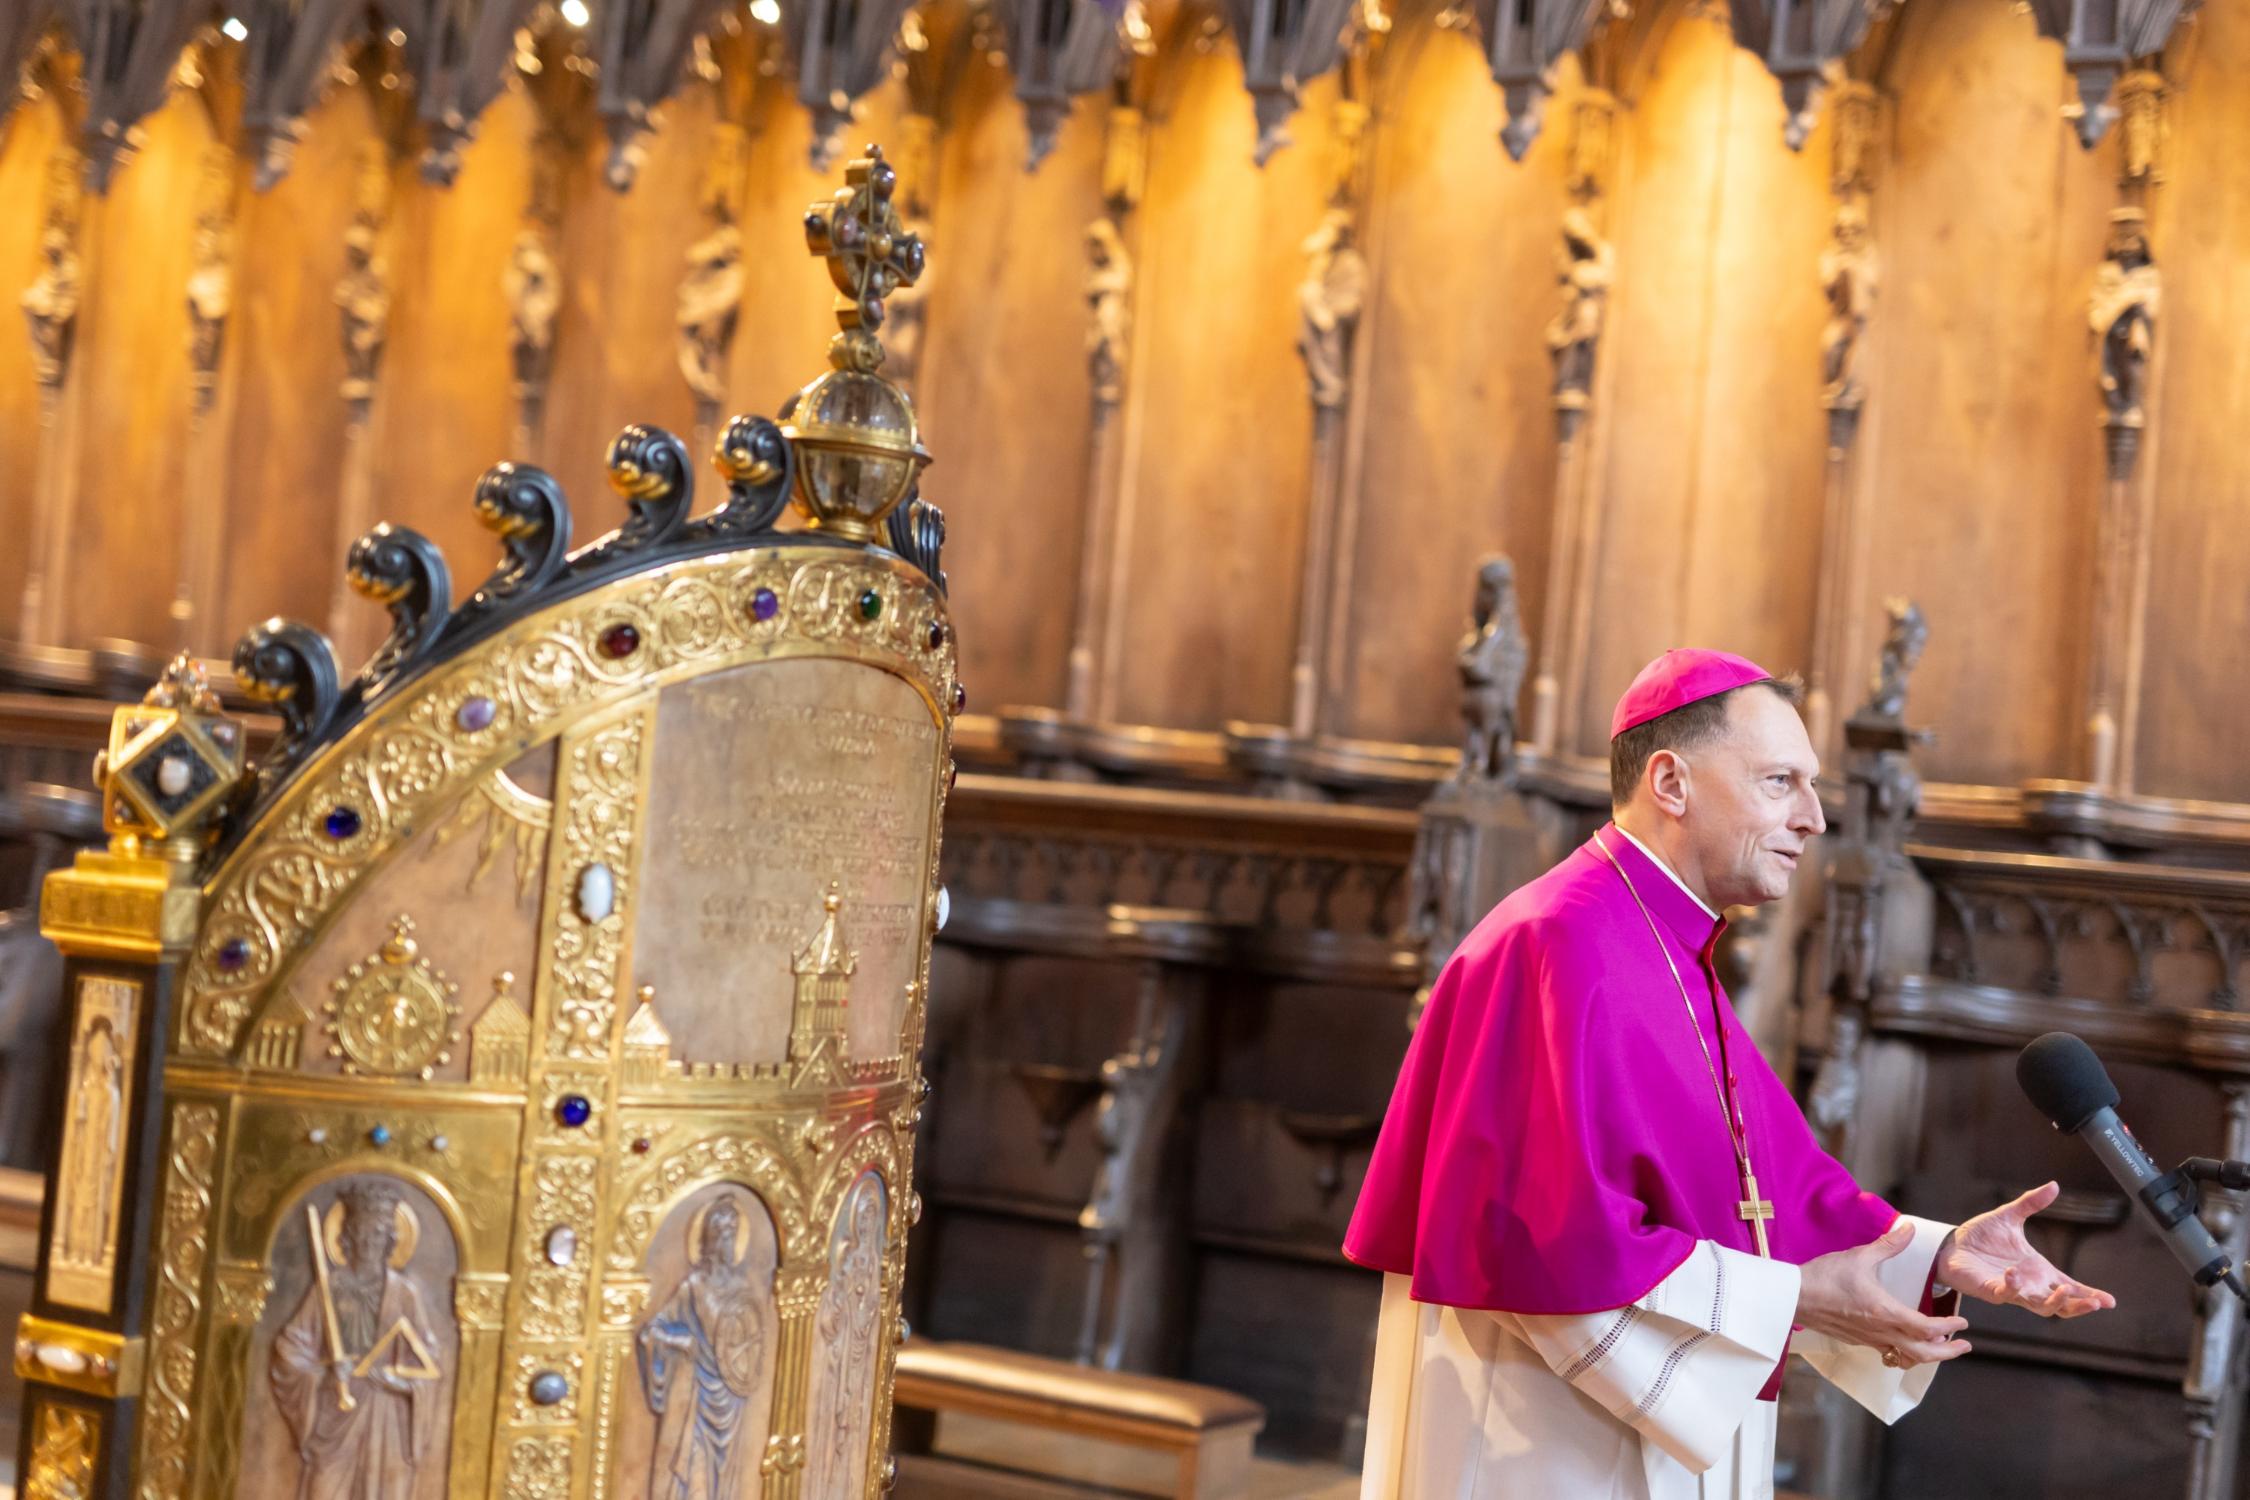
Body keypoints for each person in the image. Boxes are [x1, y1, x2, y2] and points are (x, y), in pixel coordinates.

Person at [1345, 648, 2115, 1498]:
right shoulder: (1557, 942)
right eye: (1781, 782)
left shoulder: (1674, 952)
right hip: (1546, 1444)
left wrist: (1938, 1256)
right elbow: (1546, 1245)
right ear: (1671, 784)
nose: (1816, 819)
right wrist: (1783, 1299)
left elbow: (1768, 1190)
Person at [270, 1180, 441, 1500]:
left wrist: (398, 1382)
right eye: (361, 1231)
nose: (368, 1241)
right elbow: (291, 1346)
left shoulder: (405, 1293)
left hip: (386, 1418)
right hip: (337, 1409)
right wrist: (321, 1372)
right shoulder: (328, 1287)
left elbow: (429, 1359)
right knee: (324, 1489)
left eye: (377, 1232)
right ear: (346, 1235)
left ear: (391, 1239)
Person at [639, 1194, 771, 1500]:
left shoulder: (743, 1290)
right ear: (709, 1240)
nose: (727, 1242)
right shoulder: (692, 1288)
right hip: (694, 1397)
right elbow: (651, 1331)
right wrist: (680, 1340)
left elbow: (750, 1345)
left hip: (731, 1399)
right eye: (721, 1235)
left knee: (723, 1482)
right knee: (693, 1475)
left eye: (732, 1235)